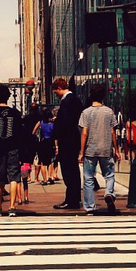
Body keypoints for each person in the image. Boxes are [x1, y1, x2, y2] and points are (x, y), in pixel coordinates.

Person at [79, 84, 119, 215]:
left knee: (88, 179)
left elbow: (84, 133)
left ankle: (90, 207)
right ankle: (109, 192)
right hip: (106, 149)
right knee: (109, 175)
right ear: (103, 96)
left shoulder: (86, 113)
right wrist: (117, 150)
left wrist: (81, 152)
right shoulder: (109, 112)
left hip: (91, 150)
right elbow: (113, 132)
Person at [0, 85, 24, 216]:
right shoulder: (15, 113)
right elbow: (20, 133)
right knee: (14, 177)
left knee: (0, 177)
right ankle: (12, 207)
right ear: (8, 97)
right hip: (13, 147)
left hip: (0, 149)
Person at [51, 76, 84, 208]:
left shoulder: (66, 102)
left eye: (55, 92)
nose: (56, 95)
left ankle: (71, 200)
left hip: (67, 140)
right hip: (74, 138)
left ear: (59, 88)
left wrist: (56, 127)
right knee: (73, 171)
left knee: (68, 171)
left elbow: (65, 122)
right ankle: (73, 198)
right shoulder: (76, 100)